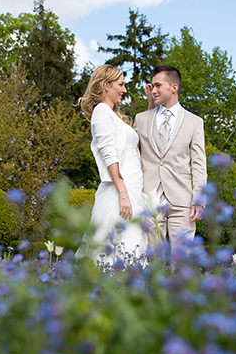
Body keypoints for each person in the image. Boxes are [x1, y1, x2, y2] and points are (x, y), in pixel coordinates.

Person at [78, 65, 148, 262]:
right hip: (119, 193)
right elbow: (109, 154)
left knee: (132, 245)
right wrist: (123, 193)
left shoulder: (115, 116)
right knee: (115, 247)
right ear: (106, 85)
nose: (124, 90)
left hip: (132, 191)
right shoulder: (102, 111)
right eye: (121, 84)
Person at [135, 65, 207, 247]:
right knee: (151, 260)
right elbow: (133, 156)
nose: (154, 90)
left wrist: (199, 200)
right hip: (149, 198)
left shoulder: (194, 122)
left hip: (182, 200)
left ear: (174, 87)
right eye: (152, 86)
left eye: (158, 85)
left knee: (183, 261)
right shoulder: (141, 119)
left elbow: (199, 165)